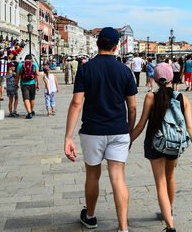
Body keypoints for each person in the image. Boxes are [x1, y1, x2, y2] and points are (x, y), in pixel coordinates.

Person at [64, 27, 137, 231]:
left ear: (97, 44)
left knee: (93, 175)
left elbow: (77, 103)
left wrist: (68, 137)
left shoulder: (85, 69)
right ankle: (123, 227)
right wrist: (129, 132)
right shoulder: (125, 71)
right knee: (118, 177)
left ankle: (90, 216)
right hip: (118, 130)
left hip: (92, 131)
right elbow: (132, 107)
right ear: (116, 47)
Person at [130, 63, 192, 232]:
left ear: (155, 80)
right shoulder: (182, 98)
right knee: (170, 178)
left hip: (155, 144)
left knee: (161, 183)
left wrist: (127, 142)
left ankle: (170, 226)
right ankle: (168, 210)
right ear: (171, 78)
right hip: (174, 144)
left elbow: (141, 125)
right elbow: (190, 127)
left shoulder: (151, 97)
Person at [16, 54, 40, 119]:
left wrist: (16, 84)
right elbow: (37, 74)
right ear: (31, 59)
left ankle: (29, 113)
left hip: (24, 84)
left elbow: (17, 75)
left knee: (26, 98)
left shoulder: (20, 65)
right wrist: (38, 84)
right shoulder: (34, 64)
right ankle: (31, 111)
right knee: (32, 98)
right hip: (32, 84)